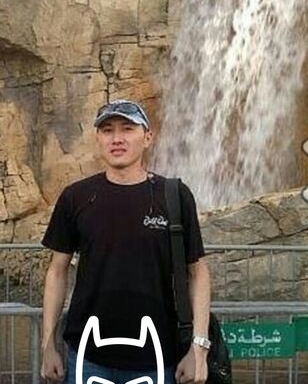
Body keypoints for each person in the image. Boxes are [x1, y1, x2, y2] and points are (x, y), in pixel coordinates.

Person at [41, 99, 211, 384]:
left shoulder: (174, 196)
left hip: (157, 356)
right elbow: (56, 271)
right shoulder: (75, 197)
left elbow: (198, 272)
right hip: (87, 355)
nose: (117, 138)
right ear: (97, 138)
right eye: (107, 130)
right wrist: (47, 345)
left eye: (127, 128)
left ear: (148, 137)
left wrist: (199, 348)